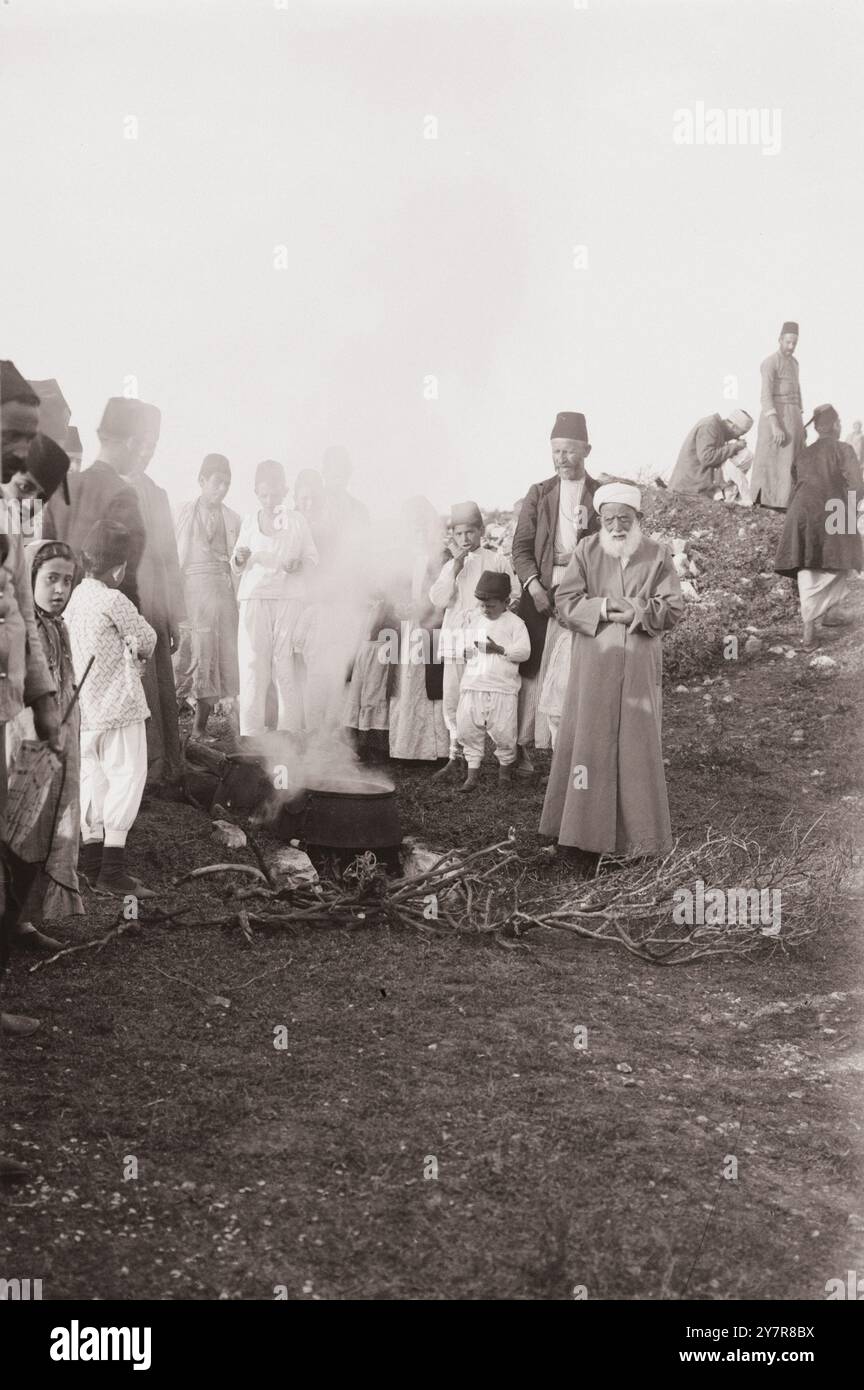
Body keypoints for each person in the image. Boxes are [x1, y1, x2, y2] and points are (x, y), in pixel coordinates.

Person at [539, 483, 684, 862]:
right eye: (609, 519)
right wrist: (603, 608)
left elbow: (672, 607)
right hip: (595, 664)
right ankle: (579, 836)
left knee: (636, 746)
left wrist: (636, 611)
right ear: (599, 521)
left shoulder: (657, 554)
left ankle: (639, 842)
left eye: (625, 518)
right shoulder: (587, 551)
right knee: (589, 742)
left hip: (638, 663)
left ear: (638, 519)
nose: (617, 526)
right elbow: (566, 602)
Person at [0, 364, 61, 1182]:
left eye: (26, 436)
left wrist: (43, 695)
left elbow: (20, 601)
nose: (22, 449)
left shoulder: (16, 508)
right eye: (10, 432)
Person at [64, 520, 157, 897]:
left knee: (93, 779)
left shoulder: (74, 600)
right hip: (119, 707)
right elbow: (146, 638)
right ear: (118, 568)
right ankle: (113, 870)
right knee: (127, 776)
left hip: (85, 711)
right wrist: (137, 646)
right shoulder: (114, 600)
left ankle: (89, 861)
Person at [7, 540, 84, 950]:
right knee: (20, 825)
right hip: (25, 739)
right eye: (51, 579)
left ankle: (25, 920)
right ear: (30, 579)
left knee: (50, 823)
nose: (60, 589)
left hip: (59, 739)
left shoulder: (60, 627)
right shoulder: (20, 626)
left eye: (67, 581)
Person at [512, 411, 599, 757]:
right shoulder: (540, 492)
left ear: (587, 450)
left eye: (570, 451)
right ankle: (527, 749)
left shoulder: (599, 494)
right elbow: (521, 547)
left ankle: (568, 748)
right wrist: (534, 588)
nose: (562, 458)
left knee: (570, 667)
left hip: (582, 591)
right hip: (541, 589)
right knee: (534, 666)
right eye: (556, 451)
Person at [428, 500, 515, 781]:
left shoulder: (496, 560)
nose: (465, 539)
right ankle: (456, 755)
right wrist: (454, 569)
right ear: (452, 535)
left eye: (470, 532)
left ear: (481, 531)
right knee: (453, 696)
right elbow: (439, 600)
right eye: (459, 534)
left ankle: (487, 757)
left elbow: (513, 595)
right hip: (455, 635)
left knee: (480, 696)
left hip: (483, 638)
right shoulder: (451, 566)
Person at [231, 459, 317, 738]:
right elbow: (236, 562)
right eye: (264, 494)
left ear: (285, 491)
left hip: (287, 599)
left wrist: (300, 565)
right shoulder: (248, 522)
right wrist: (239, 559)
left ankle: (288, 733)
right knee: (253, 664)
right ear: (256, 492)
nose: (270, 500)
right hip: (254, 599)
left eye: (276, 494)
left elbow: (312, 558)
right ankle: (251, 734)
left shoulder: (297, 521)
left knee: (284, 666)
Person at [43, 396, 147, 610]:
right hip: (100, 621)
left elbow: (43, 560)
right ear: (131, 442)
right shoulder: (123, 495)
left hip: (59, 615)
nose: (139, 455)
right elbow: (125, 578)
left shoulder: (61, 487)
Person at [774, 403, 864, 650]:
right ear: (835, 426)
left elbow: (796, 481)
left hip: (800, 514)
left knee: (809, 566)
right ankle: (812, 632)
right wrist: (850, 512)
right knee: (842, 556)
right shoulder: (843, 448)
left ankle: (819, 624)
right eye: (839, 423)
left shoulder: (803, 453)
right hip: (833, 510)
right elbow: (857, 485)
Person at [127, 402, 185, 782]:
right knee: (135, 683)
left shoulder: (158, 493)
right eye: (143, 442)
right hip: (126, 597)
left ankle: (167, 764)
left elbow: (170, 556)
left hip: (157, 599)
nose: (148, 451)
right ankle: (138, 769)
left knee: (162, 681)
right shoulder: (111, 488)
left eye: (155, 443)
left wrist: (175, 615)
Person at [174, 454, 241, 739]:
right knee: (197, 655)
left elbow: (237, 561)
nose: (222, 489)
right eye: (217, 482)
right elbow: (174, 558)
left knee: (224, 654)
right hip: (194, 592)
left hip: (223, 592)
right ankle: (189, 727)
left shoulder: (233, 518)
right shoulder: (184, 512)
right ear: (202, 481)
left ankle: (222, 727)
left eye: (227, 484)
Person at [386, 496, 450, 761]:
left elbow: (445, 594)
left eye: (422, 524)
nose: (418, 530)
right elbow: (393, 588)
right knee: (405, 682)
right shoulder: (402, 556)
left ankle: (434, 748)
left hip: (430, 625)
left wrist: (422, 608)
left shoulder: (442, 556)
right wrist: (399, 605)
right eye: (412, 525)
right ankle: (405, 746)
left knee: (430, 682)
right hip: (406, 626)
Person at [455, 571, 530, 792]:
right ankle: (472, 773)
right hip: (474, 684)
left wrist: (498, 649)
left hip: (502, 688)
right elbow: (462, 645)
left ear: (506, 602)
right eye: (483, 605)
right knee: (467, 729)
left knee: (505, 733)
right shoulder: (475, 621)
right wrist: (466, 651)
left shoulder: (515, 623)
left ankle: (504, 773)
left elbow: (524, 652)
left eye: (491, 606)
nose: (486, 610)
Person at [750, 321, 805, 510]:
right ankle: (763, 501)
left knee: (789, 463)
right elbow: (765, 396)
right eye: (788, 342)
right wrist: (775, 424)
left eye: (794, 344)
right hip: (774, 418)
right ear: (780, 339)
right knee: (770, 460)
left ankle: (783, 504)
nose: (791, 347)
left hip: (793, 418)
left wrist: (800, 421)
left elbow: (798, 392)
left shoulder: (795, 363)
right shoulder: (770, 362)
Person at [668, 409, 753, 497]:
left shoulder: (715, 427)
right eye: (741, 433)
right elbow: (707, 457)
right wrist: (735, 446)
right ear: (734, 427)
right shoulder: (709, 426)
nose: (739, 436)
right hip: (689, 485)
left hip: (694, 481)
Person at [320, 444, 369, 531]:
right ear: (324, 472)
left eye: (343, 469)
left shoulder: (360, 510)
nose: (339, 481)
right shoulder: (309, 507)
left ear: (348, 473)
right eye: (335, 476)